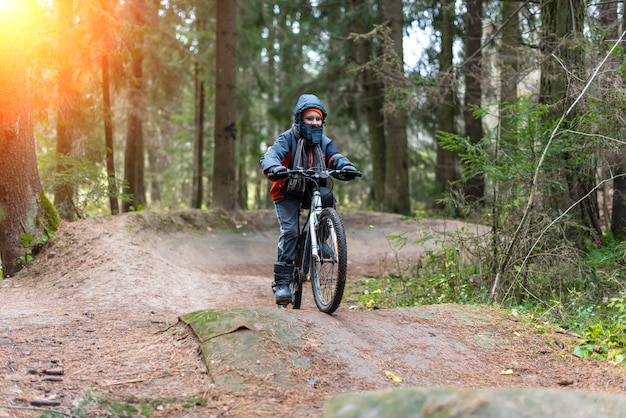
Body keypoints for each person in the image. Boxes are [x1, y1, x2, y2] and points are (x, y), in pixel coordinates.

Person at [260, 94, 359, 305]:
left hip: (310, 188)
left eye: (318, 118)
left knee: (327, 195)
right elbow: (270, 157)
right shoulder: (287, 138)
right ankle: (283, 283)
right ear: (299, 119)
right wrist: (276, 168)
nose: (314, 122)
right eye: (309, 118)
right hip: (287, 190)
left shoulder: (323, 142)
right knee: (290, 232)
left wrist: (346, 166)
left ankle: (320, 239)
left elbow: (334, 157)